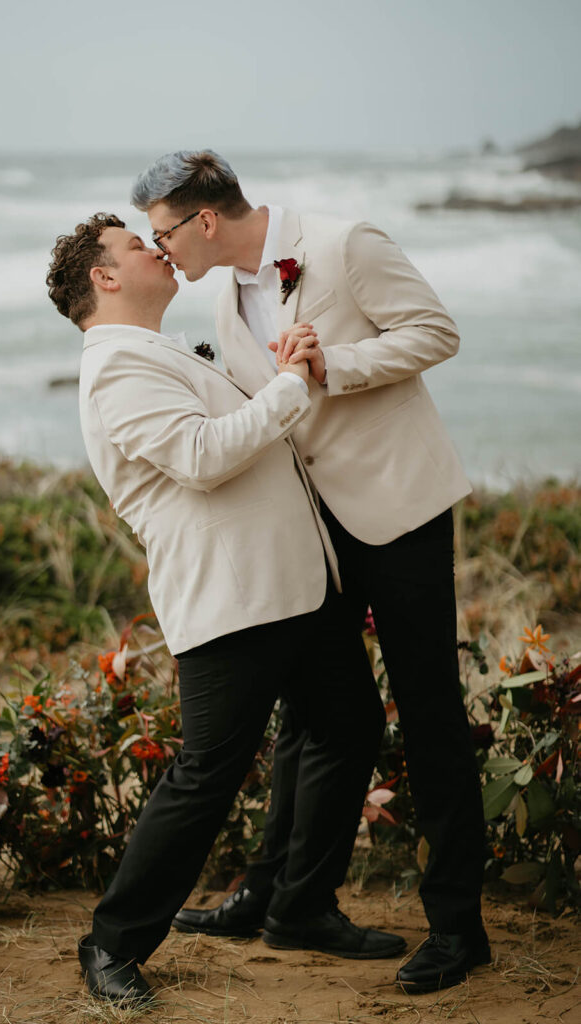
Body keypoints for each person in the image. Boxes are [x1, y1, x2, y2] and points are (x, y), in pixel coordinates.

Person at [131, 151, 491, 995]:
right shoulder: (222, 300)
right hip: (312, 533)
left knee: (428, 708)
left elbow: (437, 331)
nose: (161, 252)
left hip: (398, 515)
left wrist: (339, 363)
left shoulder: (344, 244)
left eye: (163, 233)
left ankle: (456, 927)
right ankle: (272, 892)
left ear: (203, 220)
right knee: (312, 710)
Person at [46, 213, 404, 1005]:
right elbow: (202, 459)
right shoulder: (114, 368)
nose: (156, 246)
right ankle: (111, 944)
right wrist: (288, 386)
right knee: (205, 775)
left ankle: (299, 906)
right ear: (103, 277)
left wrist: (281, 376)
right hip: (231, 594)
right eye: (136, 245)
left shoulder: (158, 349)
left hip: (296, 587)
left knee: (346, 726)